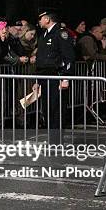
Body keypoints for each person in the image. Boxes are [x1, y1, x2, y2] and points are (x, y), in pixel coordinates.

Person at [36, 11, 75, 143]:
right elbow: (41, 60)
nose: (39, 21)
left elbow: (68, 57)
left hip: (57, 76)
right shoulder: (43, 35)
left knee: (56, 110)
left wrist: (66, 78)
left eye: (41, 19)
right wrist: (38, 81)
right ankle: (51, 139)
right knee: (47, 109)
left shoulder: (61, 33)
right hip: (45, 77)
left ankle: (57, 141)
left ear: (47, 19)